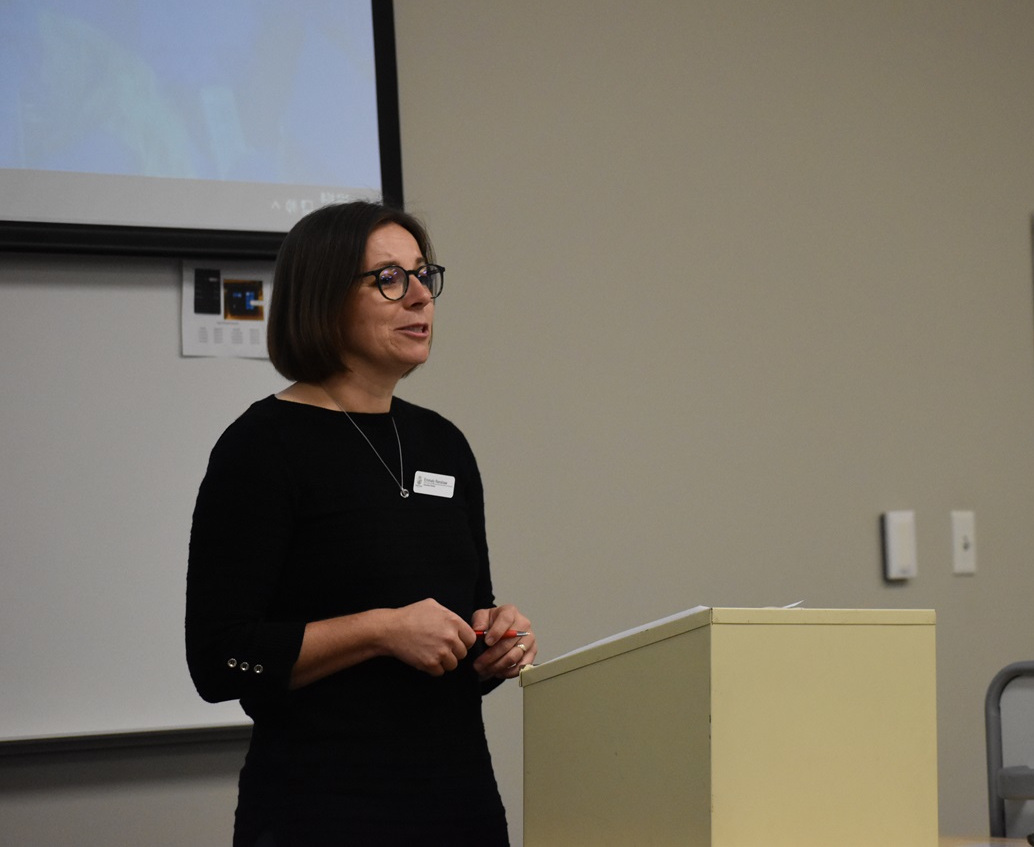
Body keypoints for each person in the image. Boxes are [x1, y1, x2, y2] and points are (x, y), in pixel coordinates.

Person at [185, 201, 536, 846]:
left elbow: (457, 627)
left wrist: (490, 644)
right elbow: (219, 659)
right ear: (323, 297)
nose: (420, 297)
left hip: (457, 807)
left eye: (424, 275)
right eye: (389, 278)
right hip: (321, 812)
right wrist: (381, 630)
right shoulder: (261, 446)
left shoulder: (443, 444)